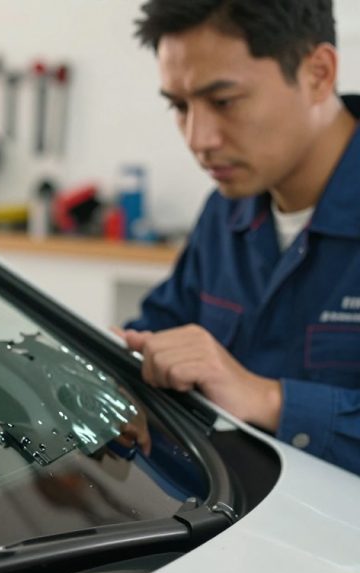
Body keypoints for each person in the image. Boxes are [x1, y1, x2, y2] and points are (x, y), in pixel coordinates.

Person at [118, 0, 360, 475]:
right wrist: (119, 371)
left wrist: (269, 400)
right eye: (179, 106)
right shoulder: (226, 210)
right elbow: (155, 331)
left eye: (224, 101)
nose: (198, 139)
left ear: (318, 74)